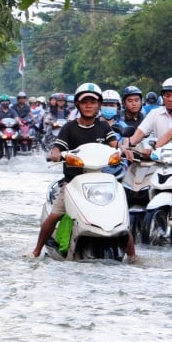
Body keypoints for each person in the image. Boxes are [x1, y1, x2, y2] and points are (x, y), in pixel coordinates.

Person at [32, 83, 135, 260]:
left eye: (93, 102)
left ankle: (133, 256)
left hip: (100, 183)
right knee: (55, 214)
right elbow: (57, 148)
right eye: (85, 101)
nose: (89, 105)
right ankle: (36, 250)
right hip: (73, 183)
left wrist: (124, 150)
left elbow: (115, 144)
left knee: (120, 215)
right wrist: (56, 154)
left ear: (98, 105)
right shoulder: (69, 128)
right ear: (78, 105)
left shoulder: (103, 127)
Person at [125, 78, 172, 154]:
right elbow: (140, 133)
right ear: (162, 97)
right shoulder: (155, 113)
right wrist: (126, 145)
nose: (171, 99)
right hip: (158, 159)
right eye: (167, 95)